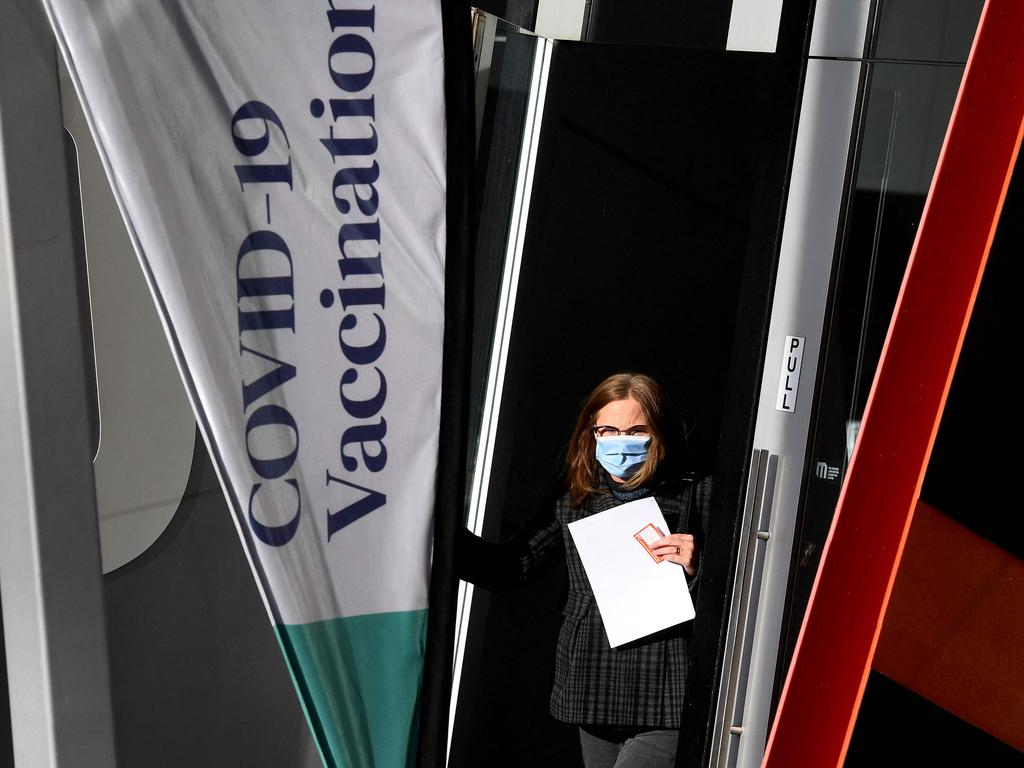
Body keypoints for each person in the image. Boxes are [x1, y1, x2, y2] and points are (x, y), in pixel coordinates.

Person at [458, 372, 713, 768]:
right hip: (594, 685)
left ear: (659, 433)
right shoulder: (574, 496)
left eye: (636, 430)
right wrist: (439, 534)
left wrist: (700, 566)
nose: (620, 442)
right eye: (608, 430)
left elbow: (745, 586)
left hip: (666, 691)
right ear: (590, 434)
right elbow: (512, 567)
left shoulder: (698, 491)